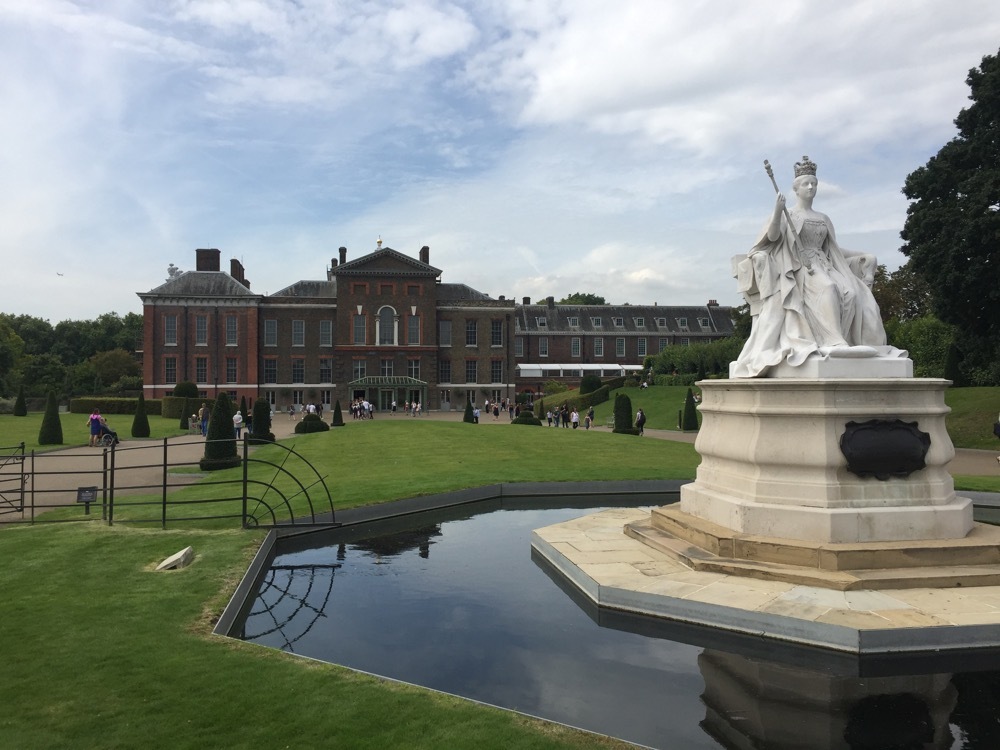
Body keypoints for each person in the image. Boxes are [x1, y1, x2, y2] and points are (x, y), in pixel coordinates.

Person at [731, 156, 889, 378]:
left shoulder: (823, 218)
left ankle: (845, 339)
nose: (811, 187)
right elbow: (773, 237)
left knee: (851, 292)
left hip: (824, 263)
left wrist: (863, 256)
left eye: (814, 183)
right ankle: (834, 340)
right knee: (828, 288)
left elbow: (834, 249)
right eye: (806, 184)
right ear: (796, 189)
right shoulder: (788, 214)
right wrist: (777, 211)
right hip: (800, 267)